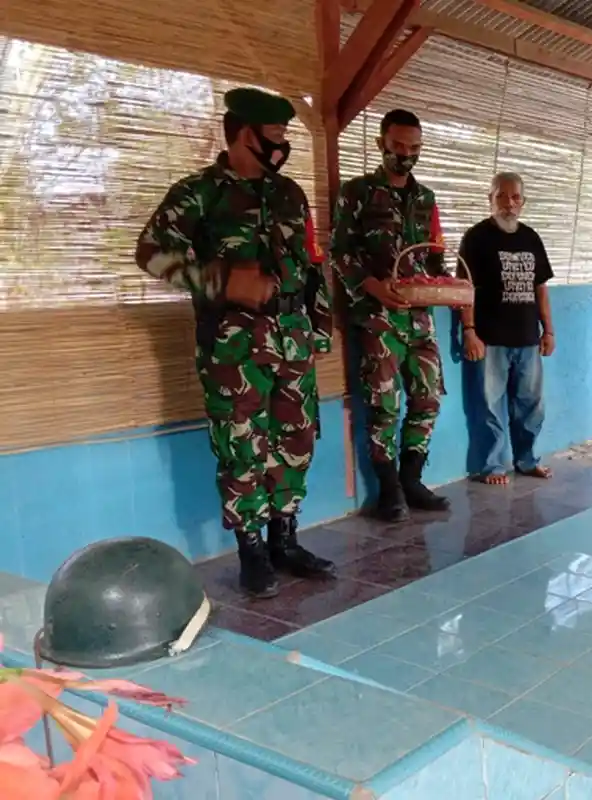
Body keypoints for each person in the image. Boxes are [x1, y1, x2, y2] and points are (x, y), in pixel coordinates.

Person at [135, 88, 336, 598]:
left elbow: (311, 265)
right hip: (234, 347)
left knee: (296, 442)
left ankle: (284, 541)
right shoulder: (200, 192)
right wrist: (223, 282)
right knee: (242, 448)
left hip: (293, 340)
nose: (283, 144)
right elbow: (151, 253)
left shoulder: (290, 193)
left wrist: (319, 326)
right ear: (244, 134)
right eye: (275, 136)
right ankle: (252, 551)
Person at [330, 108, 451, 521]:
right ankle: (389, 490)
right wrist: (372, 287)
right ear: (382, 142)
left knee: (429, 397)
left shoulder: (426, 198)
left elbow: (434, 257)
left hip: (421, 316)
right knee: (383, 404)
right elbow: (339, 253)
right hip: (378, 317)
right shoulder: (357, 192)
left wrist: (452, 285)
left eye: (414, 148)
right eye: (398, 146)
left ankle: (413, 479)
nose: (406, 155)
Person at [458, 171, 555, 485]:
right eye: (501, 196)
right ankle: (491, 467)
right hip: (490, 339)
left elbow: (541, 287)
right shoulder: (476, 238)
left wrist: (548, 330)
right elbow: (465, 288)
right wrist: (469, 331)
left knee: (531, 406)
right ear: (490, 198)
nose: (508, 204)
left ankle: (526, 461)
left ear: (523, 202)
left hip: (527, 339)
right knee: (488, 406)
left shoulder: (530, 237)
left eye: (515, 197)